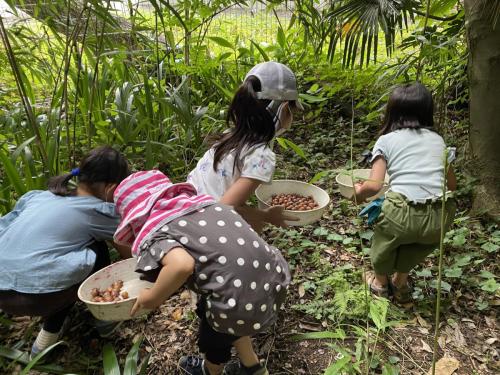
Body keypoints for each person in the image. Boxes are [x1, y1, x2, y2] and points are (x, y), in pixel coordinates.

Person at [114, 170, 290, 375]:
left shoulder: (158, 232)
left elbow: (181, 266)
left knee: (215, 342)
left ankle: (211, 371)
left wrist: (151, 298)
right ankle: (252, 367)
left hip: (237, 300)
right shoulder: (207, 206)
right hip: (271, 280)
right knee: (229, 313)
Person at [0, 146, 131, 357]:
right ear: (111, 188)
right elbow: (130, 257)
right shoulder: (97, 211)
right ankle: (106, 319)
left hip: (3, 291)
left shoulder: (38, 198)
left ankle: (43, 344)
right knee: (94, 249)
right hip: (37, 297)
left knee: (60, 255)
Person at [354, 83, 457, 303]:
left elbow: (373, 186)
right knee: (418, 244)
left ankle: (380, 283)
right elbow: (451, 184)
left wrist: (358, 194)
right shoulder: (438, 140)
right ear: (428, 111)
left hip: (402, 213)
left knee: (384, 242)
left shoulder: (386, 140)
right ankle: (400, 283)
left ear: (392, 113)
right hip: (441, 214)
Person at [187, 61, 303, 232]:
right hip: (203, 227)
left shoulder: (229, 136)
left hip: (185, 211)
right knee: (258, 235)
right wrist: (266, 216)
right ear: (284, 109)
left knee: (253, 224)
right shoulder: (262, 157)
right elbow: (223, 209)